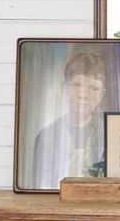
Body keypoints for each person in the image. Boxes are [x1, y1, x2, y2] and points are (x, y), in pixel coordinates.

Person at [32, 51, 107, 188]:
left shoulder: (109, 135)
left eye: (94, 88)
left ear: (101, 95)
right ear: (64, 88)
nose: (84, 95)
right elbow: (40, 187)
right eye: (77, 86)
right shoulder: (46, 137)